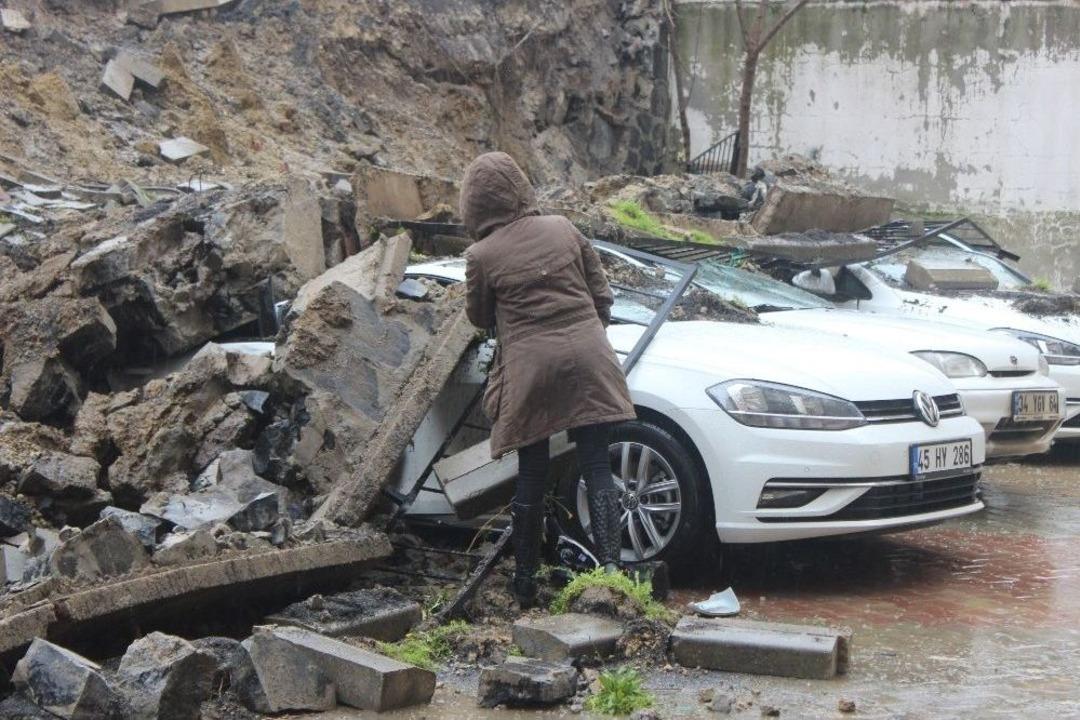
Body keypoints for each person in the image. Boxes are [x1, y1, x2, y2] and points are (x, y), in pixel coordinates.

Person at [459, 152, 637, 608]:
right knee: (598, 464)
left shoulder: (481, 255)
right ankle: (612, 571)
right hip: (588, 354)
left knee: (532, 473)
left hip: (530, 368)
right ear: (521, 188)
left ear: (474, 206)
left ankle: (524, 581)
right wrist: (584, 331)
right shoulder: (563, 227)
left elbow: (479, 317)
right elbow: (602, 294)